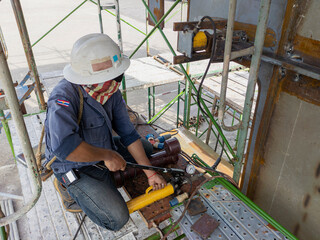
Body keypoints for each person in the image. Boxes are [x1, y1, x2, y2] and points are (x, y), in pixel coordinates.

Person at [44, 33, 166, 231]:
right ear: (98, 77)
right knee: (116, 219)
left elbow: (128, 134)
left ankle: (109, 172)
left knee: (146, 150)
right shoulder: (63, 97)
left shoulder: (110, 91)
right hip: (75, 165)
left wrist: (150, 174)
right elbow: (66, 147)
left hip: (103, 148)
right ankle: (68, 189)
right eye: (116, 77)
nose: (119, 81)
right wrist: (108, 155)